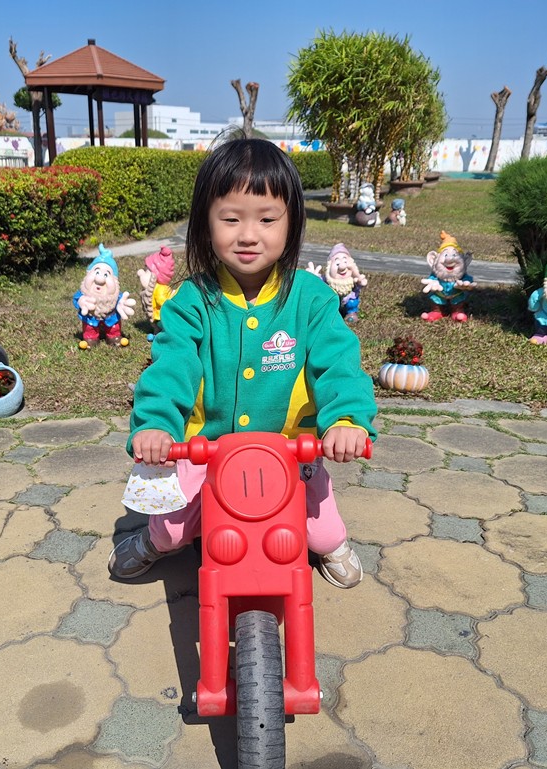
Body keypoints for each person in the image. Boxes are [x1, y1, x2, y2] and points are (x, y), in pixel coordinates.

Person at [110, 137, 377, 589]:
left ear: (292, 223)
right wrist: (156, 425)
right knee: (171, 532)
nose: (249, 235)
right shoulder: (191, 301)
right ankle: (153, 540)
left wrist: (347, 420)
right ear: (205, 223)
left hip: (291, 452)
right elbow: (171, 366)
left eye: (267, 219)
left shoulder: (311, 299)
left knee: (322, 534)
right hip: (206, 451)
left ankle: (334, 543)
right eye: (231, 219)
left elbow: (339, 365)